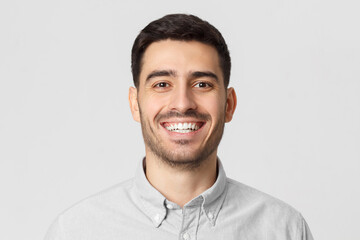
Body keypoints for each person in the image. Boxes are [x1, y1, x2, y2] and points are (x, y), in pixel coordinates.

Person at [44, 14, 313, 240]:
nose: (183, 103)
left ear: (229, 104)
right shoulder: (74, 231)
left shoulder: (284, 229)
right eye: (162, 84)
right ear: (135, 104)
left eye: (202, 84)